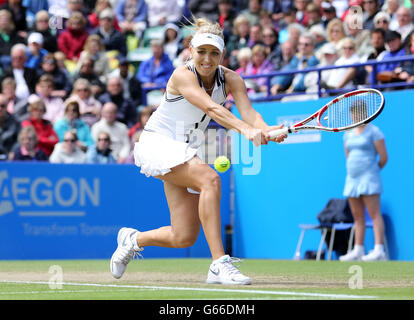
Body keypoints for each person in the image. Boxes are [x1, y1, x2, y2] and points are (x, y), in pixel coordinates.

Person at [109, 17, 286, 285]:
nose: (207, 58)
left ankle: (133, 240)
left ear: (222, 55)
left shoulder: (232, 80)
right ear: (190, 51)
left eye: (214, 53)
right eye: (201, 51)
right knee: (210, 179)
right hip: (157, 143)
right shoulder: (182, 75)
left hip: (184, 149)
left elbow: (250, 114)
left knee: (183, 236)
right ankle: (219, 264)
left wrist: (267, 130)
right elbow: (213, 109)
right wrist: (247, 132)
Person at [339, 104, 388, 261]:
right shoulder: (347, 134)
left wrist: (370, 170)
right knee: (357, 216)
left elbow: (383, 157)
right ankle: (358, 249)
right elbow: (348, 156)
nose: (355, 116)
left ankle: (379, 249)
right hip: (352, 179)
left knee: (374, 214)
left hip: (369, 178)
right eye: (353, 113)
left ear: (366, 113)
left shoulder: (374, 132)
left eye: (358, 113)